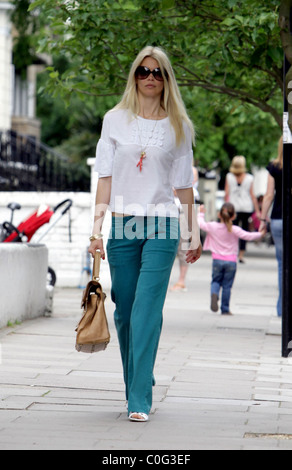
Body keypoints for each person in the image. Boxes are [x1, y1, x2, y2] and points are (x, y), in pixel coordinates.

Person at [88, 46, 202, 422]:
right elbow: (104, 179)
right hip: (123, 223)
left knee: (147, 311)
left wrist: (193, 233)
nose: (150, 77)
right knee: (125, 313)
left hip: (162, 224)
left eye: (158, 72)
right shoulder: (113, 120)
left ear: (167, 79)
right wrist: (96, 231)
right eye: (143, 71)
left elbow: (183, 185)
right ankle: (141, 374)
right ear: (134, 76)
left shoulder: (179, 126)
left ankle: (138, 399)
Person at [199, 203, 265, 315]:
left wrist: (200, 213)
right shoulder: (235, 229)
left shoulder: (213, 226)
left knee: (215, 281)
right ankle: (225, 309)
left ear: (219, 214)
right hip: (231, 261)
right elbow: (248, 236)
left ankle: (214, 293)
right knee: (227, 286)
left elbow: (201, 224)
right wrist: (260, 234)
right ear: (233, 216)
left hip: (217, 260)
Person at [259, 136, 283, 317]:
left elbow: (268, 195)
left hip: (278, 219)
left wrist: (262, 218)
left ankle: (282, 307)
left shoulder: (274, 167)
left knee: (283, 265)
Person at [225, 156, 260, 263]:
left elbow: (227, 194)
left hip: (233, 207)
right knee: (244, 230)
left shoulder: (229, 176)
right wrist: (257, 210)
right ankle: (241, 254)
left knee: (231, 230)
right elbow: (252, 195)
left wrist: (225, 208)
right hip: (246, 207)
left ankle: (231, 252)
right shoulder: (249, 178)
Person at [170, 166, 200, 292]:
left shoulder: (191, 169)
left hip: (183, 212)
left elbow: (186, 189)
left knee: (183, 247)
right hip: (170, 210)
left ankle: (181, 280)